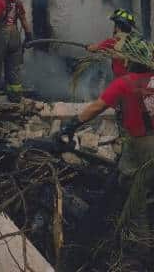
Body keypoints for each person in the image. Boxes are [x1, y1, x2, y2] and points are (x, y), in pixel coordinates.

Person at [57, 47, 154, 254]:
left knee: (134, 194)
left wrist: (71, 124)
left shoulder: (124, 83)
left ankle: (139, 248)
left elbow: (96, 107)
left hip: (142, 145)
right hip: (141, 144)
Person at [87, 8, 137, 79]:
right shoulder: (136, 42)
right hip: (136, 81)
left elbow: (94, 48)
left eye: (115, 25)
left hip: (122, 82)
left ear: (118, 27)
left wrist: (88, 47)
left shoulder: (112, 42)